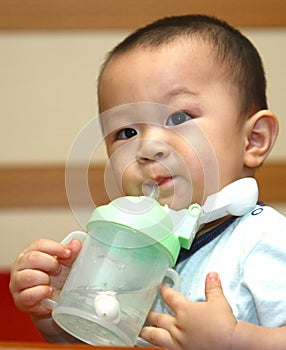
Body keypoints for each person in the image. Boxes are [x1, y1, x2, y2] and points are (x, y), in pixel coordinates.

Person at [9, 14, 286, 349]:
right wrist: (55, 311)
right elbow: (100, 338)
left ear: (253, 139)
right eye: (126, 132)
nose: (148, 147)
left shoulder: (264, 242)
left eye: (179, 117)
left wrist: (236, 340)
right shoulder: (130, 251)